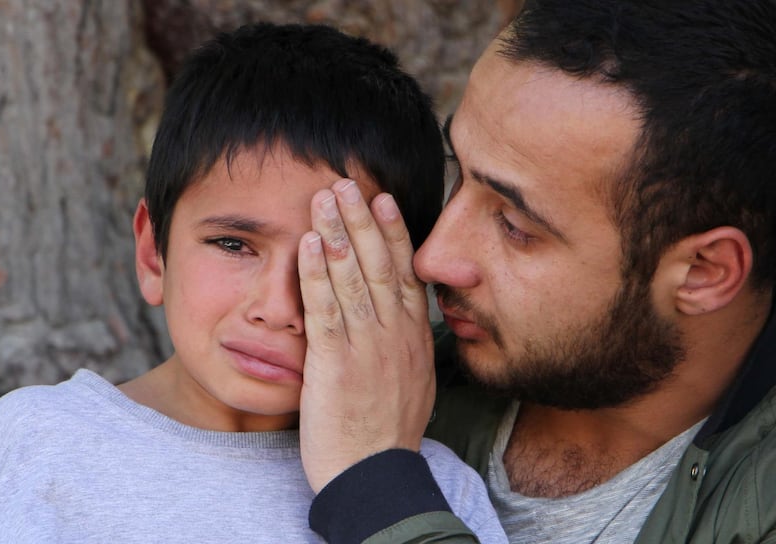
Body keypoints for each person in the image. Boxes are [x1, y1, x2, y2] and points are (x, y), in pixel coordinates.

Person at [0, 22, 508, 543]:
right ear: (152, 254)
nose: (277, 309)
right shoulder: (38, 439)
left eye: (327, 264)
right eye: (233, 244)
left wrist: (378, 485)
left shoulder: (426, 491)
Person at [297, 0, 776, 542]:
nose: (431, 258)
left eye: (515, 225)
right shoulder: (362, 370)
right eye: (458, 171)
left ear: (703, 272)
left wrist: (377, 489)